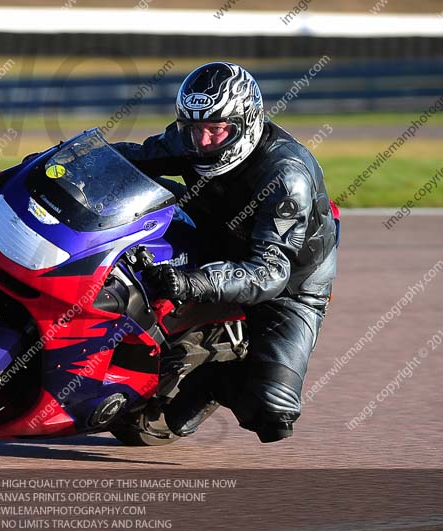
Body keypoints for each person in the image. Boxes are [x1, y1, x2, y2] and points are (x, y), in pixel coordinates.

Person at [112, 61, 339, 443]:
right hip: (211, 234)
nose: (202, 142)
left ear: (246, 123)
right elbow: (131, 158)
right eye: (193, 129)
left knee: (274, 414)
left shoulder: (287, 176)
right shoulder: (190, 139)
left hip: (290, 282)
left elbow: (270, 272)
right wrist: (48, 165)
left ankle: (211, 381)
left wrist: (190, 283)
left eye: (215, 130)